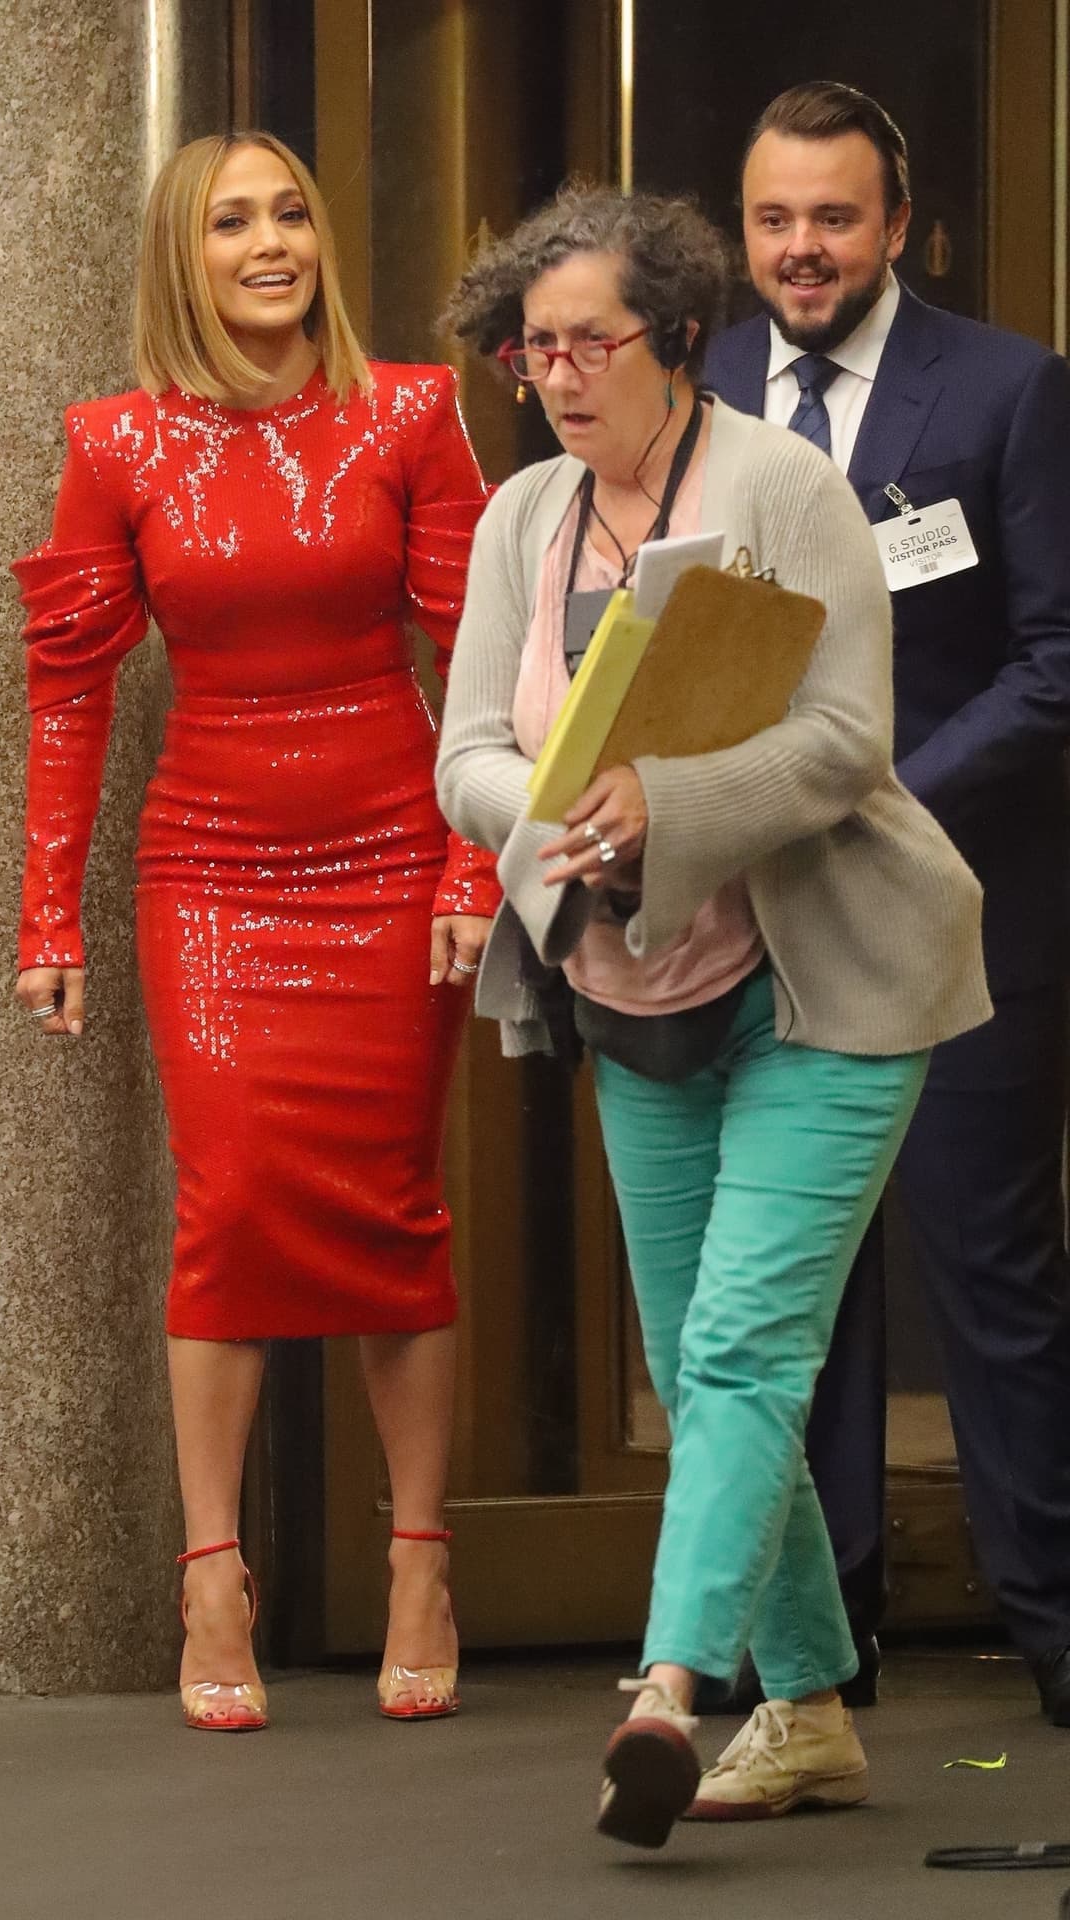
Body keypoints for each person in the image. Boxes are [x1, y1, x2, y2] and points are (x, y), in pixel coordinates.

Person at [437, 183, 989, 1846]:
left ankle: (671, 1692)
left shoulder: (784, 485)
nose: (557, 376)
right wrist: (552, 809)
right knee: (699, 1364)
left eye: (588, 341)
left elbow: (840, 744)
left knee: (749, 1345)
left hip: (827, 983)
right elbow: (464, 747)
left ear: (676, 337)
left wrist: (663, 801)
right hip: (631, 986)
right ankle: (812, 1712)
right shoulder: (520, 517)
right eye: (533, 350)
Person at [11, 131, 499, 1732]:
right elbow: (72, 687)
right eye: (234, 222)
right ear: (185, 255)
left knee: (393, 1207)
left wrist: (470, 874)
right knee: (224, 1207)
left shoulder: (413, 410)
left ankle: (419, 1559)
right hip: (210, 872)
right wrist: (47, 912)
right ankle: (209, 1571)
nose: (272, 241)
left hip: (388, 847)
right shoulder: (117, 441)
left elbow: (490, 663)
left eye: (293, 210)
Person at [705, 81, 1070, 1728]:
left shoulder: (1007, 393)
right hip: (759, 922)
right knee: (799, 1289)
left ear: (897, 228)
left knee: (990, 1282)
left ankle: (1056, 1633)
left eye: (835, 218)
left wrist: (876, 792)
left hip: (958, 915)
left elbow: (1060, 664)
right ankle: (818, 1646)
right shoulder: (699, 386)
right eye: (776, 220)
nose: (802, 249)